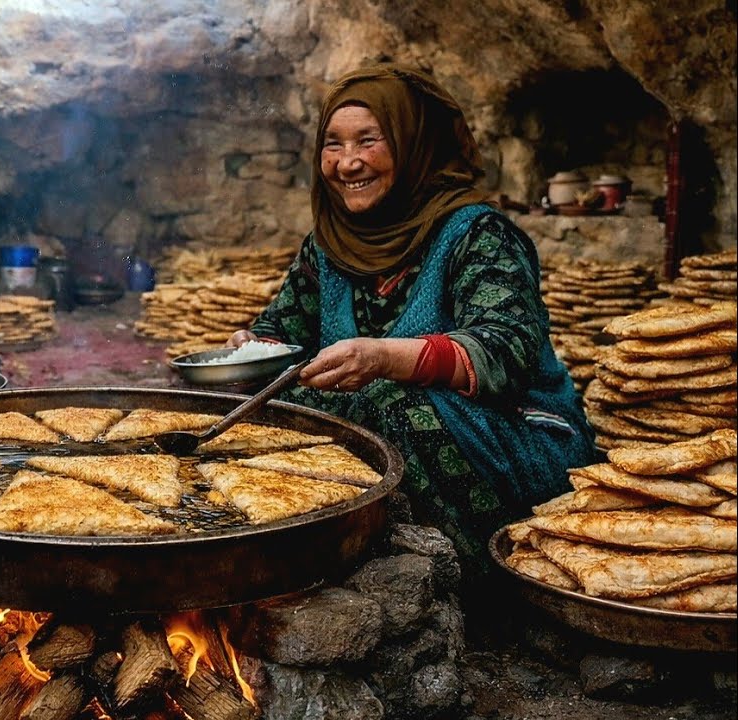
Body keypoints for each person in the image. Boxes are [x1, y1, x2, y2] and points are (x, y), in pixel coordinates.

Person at [230, 63, 595, 571]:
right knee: (260, 404)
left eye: (369, 141)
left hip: (511, 435)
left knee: (386, 401)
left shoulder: (478, 234)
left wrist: (384, 357)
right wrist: (252, 347)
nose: (347, 163)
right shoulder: (329, 247)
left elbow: (505, 352)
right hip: (387, 427)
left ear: (413, 144)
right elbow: (282, 332)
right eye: (332, 145)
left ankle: (488, 578)